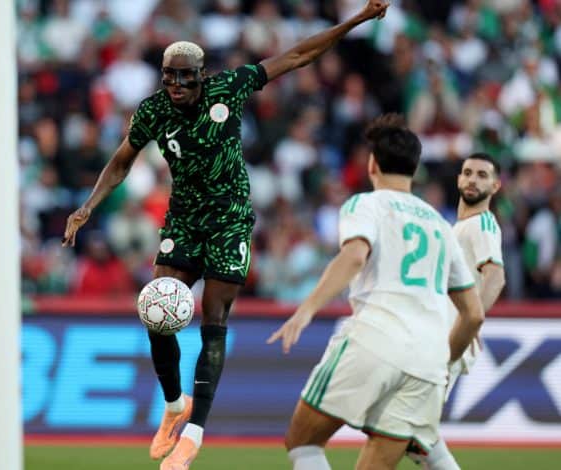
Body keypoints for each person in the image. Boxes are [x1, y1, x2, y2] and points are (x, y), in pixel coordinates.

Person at [62, 2, 391, 468]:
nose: (175, 86)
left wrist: (354, 20)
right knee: (158, 308)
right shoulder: (153, 111)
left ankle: (194, 435)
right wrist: (86, 207)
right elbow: (121, 162)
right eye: (167, 76)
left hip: (230, 219)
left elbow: (297, 56)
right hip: (184, 221)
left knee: (213, 317)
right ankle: (175, 403)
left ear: (201, 75)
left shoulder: (229, 88)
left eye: (184, 77)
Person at [267, 114, 484, 470]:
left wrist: (306, 309)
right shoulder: (441, 226)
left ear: (372, 164)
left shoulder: (366, 204)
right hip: (428, 358)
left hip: (375, 337)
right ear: (414, 169)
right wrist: (442, 361)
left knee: (304, 442)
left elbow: (354, 256)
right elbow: (473, 313)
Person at [406, 153, 505, 469]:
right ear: (459, 179)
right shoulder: (458, 226)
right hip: (436, 336)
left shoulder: (482, 224)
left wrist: (472, 322)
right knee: (414, 433)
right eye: (467, 173)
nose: (473, 179)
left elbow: (496, 276)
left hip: (448, 340)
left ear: (496, 185)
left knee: (406, 430)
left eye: (482, 175)